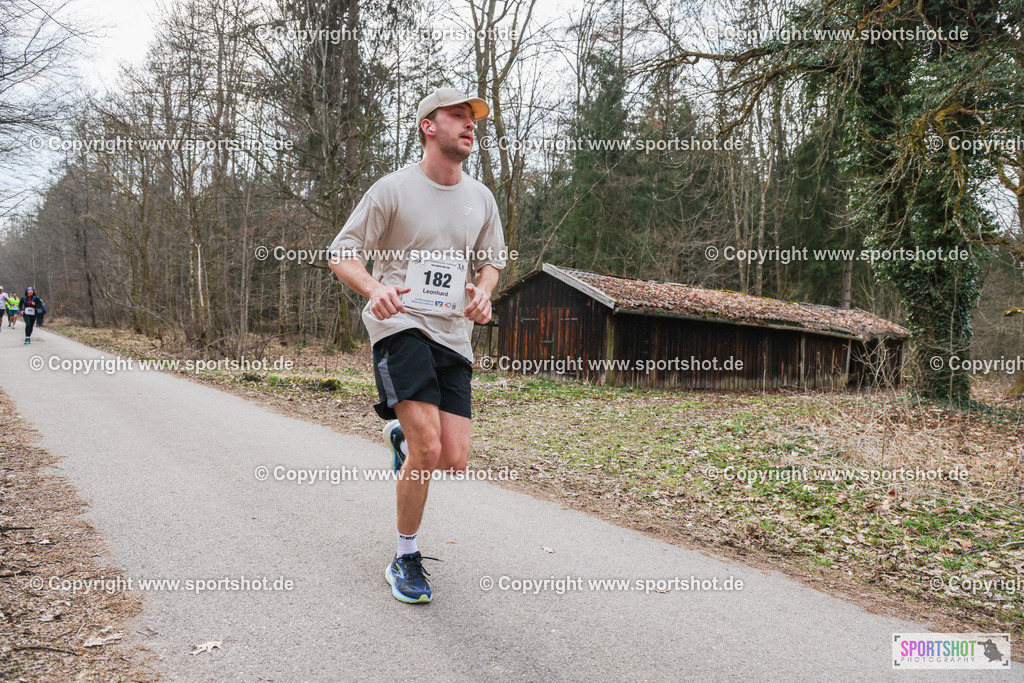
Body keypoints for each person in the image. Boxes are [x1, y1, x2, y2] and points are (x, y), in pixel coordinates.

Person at [328, 87, 506, 604]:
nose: (470, 124)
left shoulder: (481, 197)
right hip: (400, 325)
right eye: (459, 115)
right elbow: (342, 252)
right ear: (429, 125)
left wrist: (484, 293)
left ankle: (402, 441)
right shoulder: (393, 189)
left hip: (455, 334)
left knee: (453, 458)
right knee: (429, 447)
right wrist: (374, 289)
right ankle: (405, 557)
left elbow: (491, 261)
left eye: (473, 119)